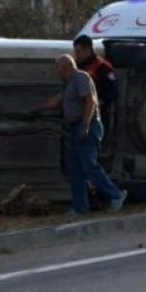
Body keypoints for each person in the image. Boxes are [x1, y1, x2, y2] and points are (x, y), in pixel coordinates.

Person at [35, 54, 127, 215]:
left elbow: (90, 101)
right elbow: (56, 101)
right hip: (74, 128)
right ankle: (80, 207)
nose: (57, 72)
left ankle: (116, 194)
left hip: (87, 126)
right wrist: (37, 110)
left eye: (58, 68)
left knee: (89, 165)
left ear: (66, 67)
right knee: (75, 169)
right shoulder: (68, 84)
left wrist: (85, 125)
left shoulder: (80, 78)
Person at [73, 34, 118, 157]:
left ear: (88, 50)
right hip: (78, 115)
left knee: (91, 154)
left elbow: (112, 92)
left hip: (97, 117)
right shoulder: (77, 66)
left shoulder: (103, 67)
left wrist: (95, 106)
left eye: (79, 52)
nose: (76, 55)